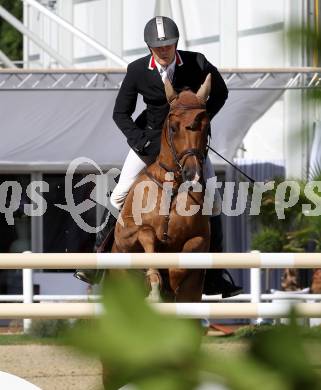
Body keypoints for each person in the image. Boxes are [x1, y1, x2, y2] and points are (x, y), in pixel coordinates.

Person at [74, 16, 242, 298]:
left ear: (176, 44)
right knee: (118, 196)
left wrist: (197, 126)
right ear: (150, 47)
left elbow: (221, 92)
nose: (165, 51)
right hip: (149, 143)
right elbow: (120, 113)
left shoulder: (197, 62)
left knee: (212, 202)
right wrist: (139, 141)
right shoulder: (138, 70)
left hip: (188, 147)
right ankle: (98, 259)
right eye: (159, 47)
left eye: (169, 45)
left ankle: (215, 275)